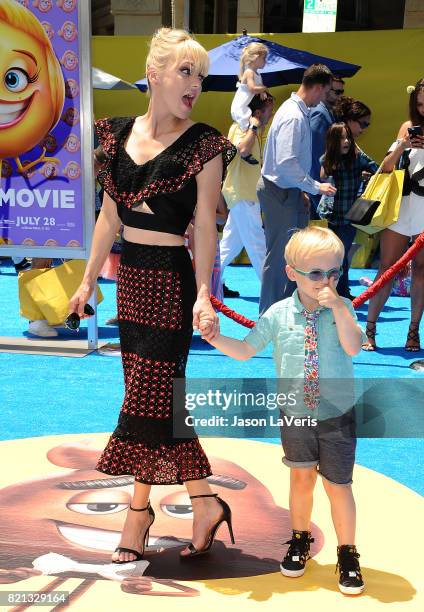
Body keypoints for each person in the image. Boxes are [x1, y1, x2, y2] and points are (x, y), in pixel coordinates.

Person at [69, 28, 237, 563]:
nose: (195, 85)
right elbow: (108, 216)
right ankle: (204, 503)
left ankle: (136, 517)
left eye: (202, 77)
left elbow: (206, 227)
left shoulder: (205, 144)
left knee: (147, 398)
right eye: (186, 72)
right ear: (154, 75)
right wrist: (89, 277)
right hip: (132, 278)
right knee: (161, 403)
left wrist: (205, 292)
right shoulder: (114, 135)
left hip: (171, 278)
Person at [202, 226, 364, 595]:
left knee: (339, 486)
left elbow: (354, 347)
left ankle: (348, 552)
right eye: (317, 274)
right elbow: (245, 350)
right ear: (291, 273)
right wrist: (215, 338)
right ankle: (300, 538)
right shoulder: (277, 313)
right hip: (294, 412)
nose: (326, 282)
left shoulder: (344, 308)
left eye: (334, 273)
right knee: (301, 478)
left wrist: (339, 306)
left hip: (337, 412)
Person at [258, 63, 337, 316]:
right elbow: (286, 163)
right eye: (326, 93)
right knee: (282, 257)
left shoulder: (296, 111)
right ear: (317, 88)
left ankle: (279, 312)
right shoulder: (294, 115)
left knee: (292, 256)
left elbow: (288, 165)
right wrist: (314, 186)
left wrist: (303, 189)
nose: (327, 99)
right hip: (279, 191)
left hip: (285, 190)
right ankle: (269, 316)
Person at [363, 79, 424, 351]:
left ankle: (413, 332)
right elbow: (385, 168)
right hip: (400, 208)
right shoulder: (406, 127)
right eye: (420, 104)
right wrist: (402, 145)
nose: (423, 110)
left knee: (422, 271)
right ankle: (370, 329)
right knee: (386, 268)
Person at [220, 92, 274, 289]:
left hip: (245, 193)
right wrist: (253, 125)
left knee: (228, 246)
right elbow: (242, 150)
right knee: (257, 244)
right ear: (258, 112)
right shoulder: (242, 127)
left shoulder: (254, 131)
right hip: (243, 193)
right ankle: (271, 290)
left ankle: (208, 280)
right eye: (269, 111)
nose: (271, 116)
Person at [319, 122, 378, 298]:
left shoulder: (358, 157)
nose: (345, 141)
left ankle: (341, 292)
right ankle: (337, 291)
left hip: (350, 216)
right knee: (336, 254)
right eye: (341, 138)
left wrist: (366, 176)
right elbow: (322, 175)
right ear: (332, 142)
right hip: (332, 215)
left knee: (340, 253)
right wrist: (330, 162)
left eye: (348, 138)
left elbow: (377, 169)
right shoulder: (327, 158)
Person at [310, 76, 345, 217]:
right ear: (325, 89)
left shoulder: (328, 112)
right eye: (337, 92)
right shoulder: (320, 113)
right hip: (319, 186)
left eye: (342, 92)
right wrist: (319, 187)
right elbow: (316, 154)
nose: (340, 96)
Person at [230, 42, 268, 164]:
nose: (265, 61)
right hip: (240, 107)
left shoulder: (257, 74)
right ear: (256, 57)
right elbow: (252, 88)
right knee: (247, 126)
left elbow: (257, 89)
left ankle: (247, 150)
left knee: (250, 125)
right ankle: (244, 152)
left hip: (246, 105)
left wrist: (262, 92)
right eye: (264, 58)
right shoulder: (249, 72)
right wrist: (263, 89)